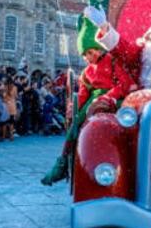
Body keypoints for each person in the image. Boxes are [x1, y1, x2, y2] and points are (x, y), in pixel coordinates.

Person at [41, 17, 135, 185]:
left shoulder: (113, 61)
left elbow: (124, 84)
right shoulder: (86, 73)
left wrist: (109, 97)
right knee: (76, 124)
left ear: (97, 49)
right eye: (84, 55)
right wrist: (74, 109)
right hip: (93, 101)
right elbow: (83, 94)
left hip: (115, 99)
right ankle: (63, 162)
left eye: (88, 53)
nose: (86, 58)